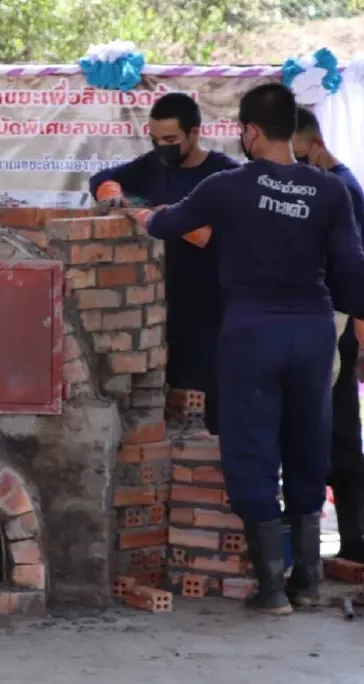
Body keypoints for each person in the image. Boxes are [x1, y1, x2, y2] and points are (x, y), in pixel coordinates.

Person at [144, 83, 364, 616]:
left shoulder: (229, 186)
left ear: (250, 132)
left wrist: (142, 216)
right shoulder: (329, 190)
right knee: (308, 440)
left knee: (251, 447)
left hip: (252, 333)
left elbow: (166, 223)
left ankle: (271, 590)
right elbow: (352, 272)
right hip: (313, 333)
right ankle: (307, 582)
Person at [89, 93, 239, 435]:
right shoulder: (154, 166)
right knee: (164, 403)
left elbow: (221, 235)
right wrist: (111, 194)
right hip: (162, 305)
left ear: (195, 133)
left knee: (208, 403)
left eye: (171, 140)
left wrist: (169, 219)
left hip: (214, 308)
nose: (162, 147)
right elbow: (101, 179)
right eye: (155, 140)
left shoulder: (225, 174)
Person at [293, 107, 364, 562]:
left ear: (316, 145)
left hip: (341, 326)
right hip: (320, 323)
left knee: (340, 437)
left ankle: (355, 541)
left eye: (300, 157)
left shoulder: (344, 191)